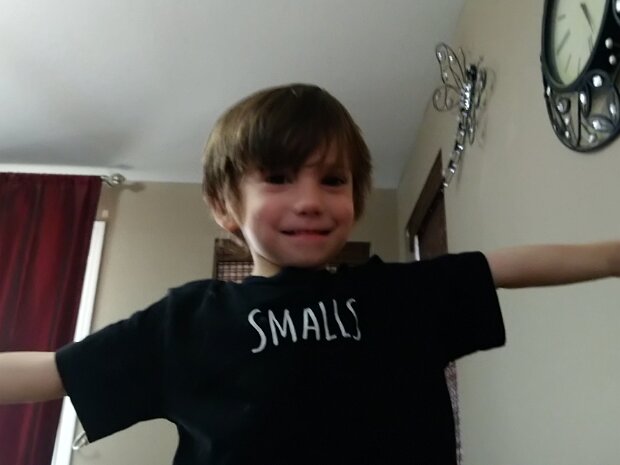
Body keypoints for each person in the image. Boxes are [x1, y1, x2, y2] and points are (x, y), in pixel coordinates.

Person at [0, 83, 618, 465]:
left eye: (332, 180)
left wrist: (612, 256)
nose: (310, 200)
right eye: (277, 178)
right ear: (224, 206)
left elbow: (505, 267)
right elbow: (57, 371)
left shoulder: (396, 295)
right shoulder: (188, 323)